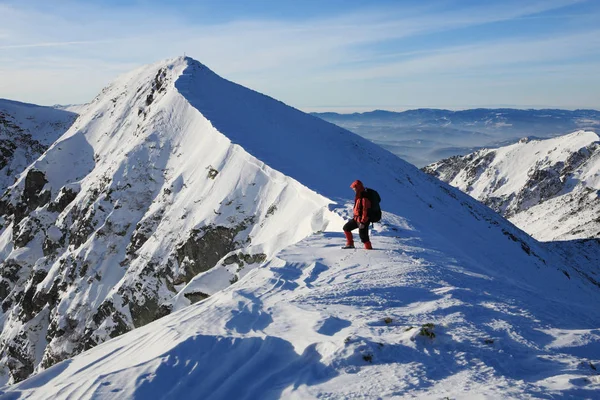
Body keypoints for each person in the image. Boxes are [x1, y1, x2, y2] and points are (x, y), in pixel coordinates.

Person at [343, 180, 373, 250]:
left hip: (363, 220)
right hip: (357, 218)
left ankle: (369, 249)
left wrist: (363, 222)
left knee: (364, 237)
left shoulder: (364, 197)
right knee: (346, 228)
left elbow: (366, 210)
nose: (353, 189)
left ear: (357, 187)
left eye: (354, 188)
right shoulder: (359, 195)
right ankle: (350, 244)